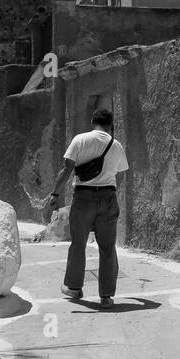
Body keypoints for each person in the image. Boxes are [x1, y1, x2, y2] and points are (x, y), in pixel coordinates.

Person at [49, 108, 128, 307]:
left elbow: (67, 169)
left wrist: (55, 193)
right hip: (108, 196)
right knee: (107, 247)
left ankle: (74, 288)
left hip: (83, 197)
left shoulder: (80, 140)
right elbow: (121, 173)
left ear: (93, 121)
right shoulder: (116, 145)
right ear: (111, 125)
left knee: (78, 243)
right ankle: (106, 296)